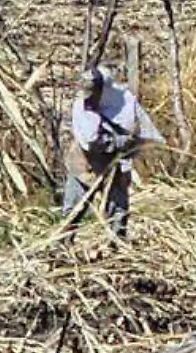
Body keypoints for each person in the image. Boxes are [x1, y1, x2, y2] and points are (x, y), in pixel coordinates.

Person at [62, 66, 163, 238]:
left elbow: (144, 132)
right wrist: (114, 142)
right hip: (85, 165)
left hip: (116, 166)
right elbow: (90, 141)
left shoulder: (126, 103)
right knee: (73, 210)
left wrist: (131, 144)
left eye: (94, 94)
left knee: (118, 212)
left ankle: (116, 248)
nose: (91, 98)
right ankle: (62, 247)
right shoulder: (82, 106)